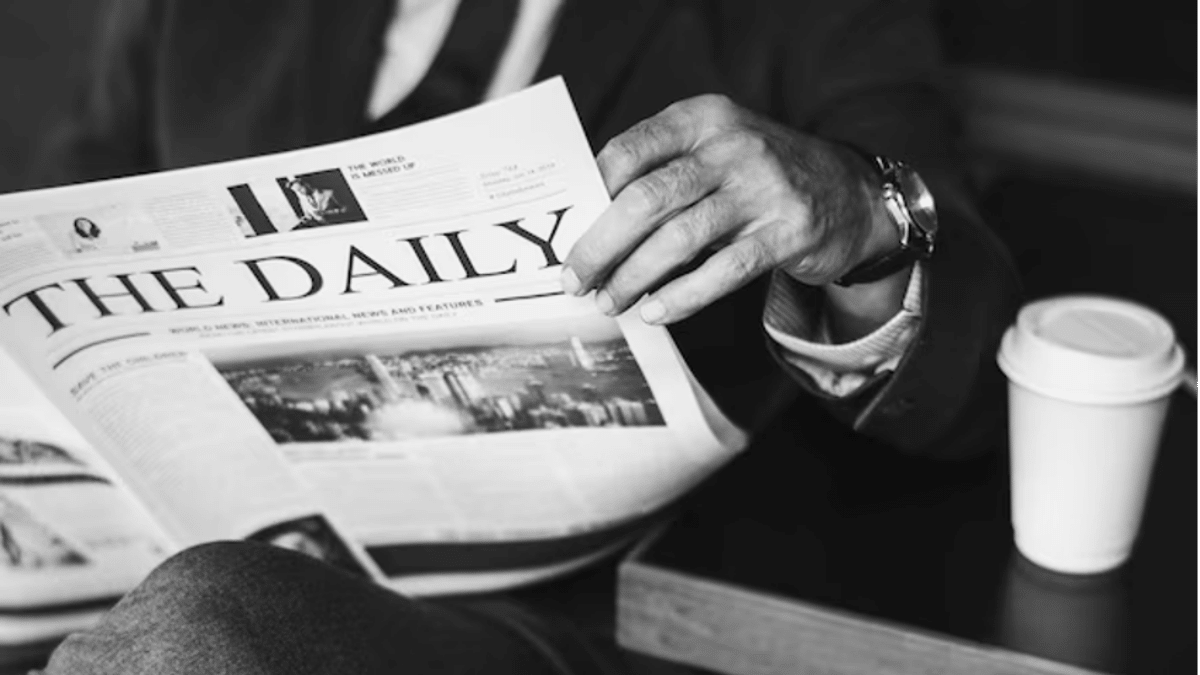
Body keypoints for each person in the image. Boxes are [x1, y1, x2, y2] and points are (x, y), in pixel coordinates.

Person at [31, 0, 1021, 673]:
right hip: (130, 552)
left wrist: (863, 214)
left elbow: (975, 377)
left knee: (202, 624)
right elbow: (50, 233)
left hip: (539, 613)